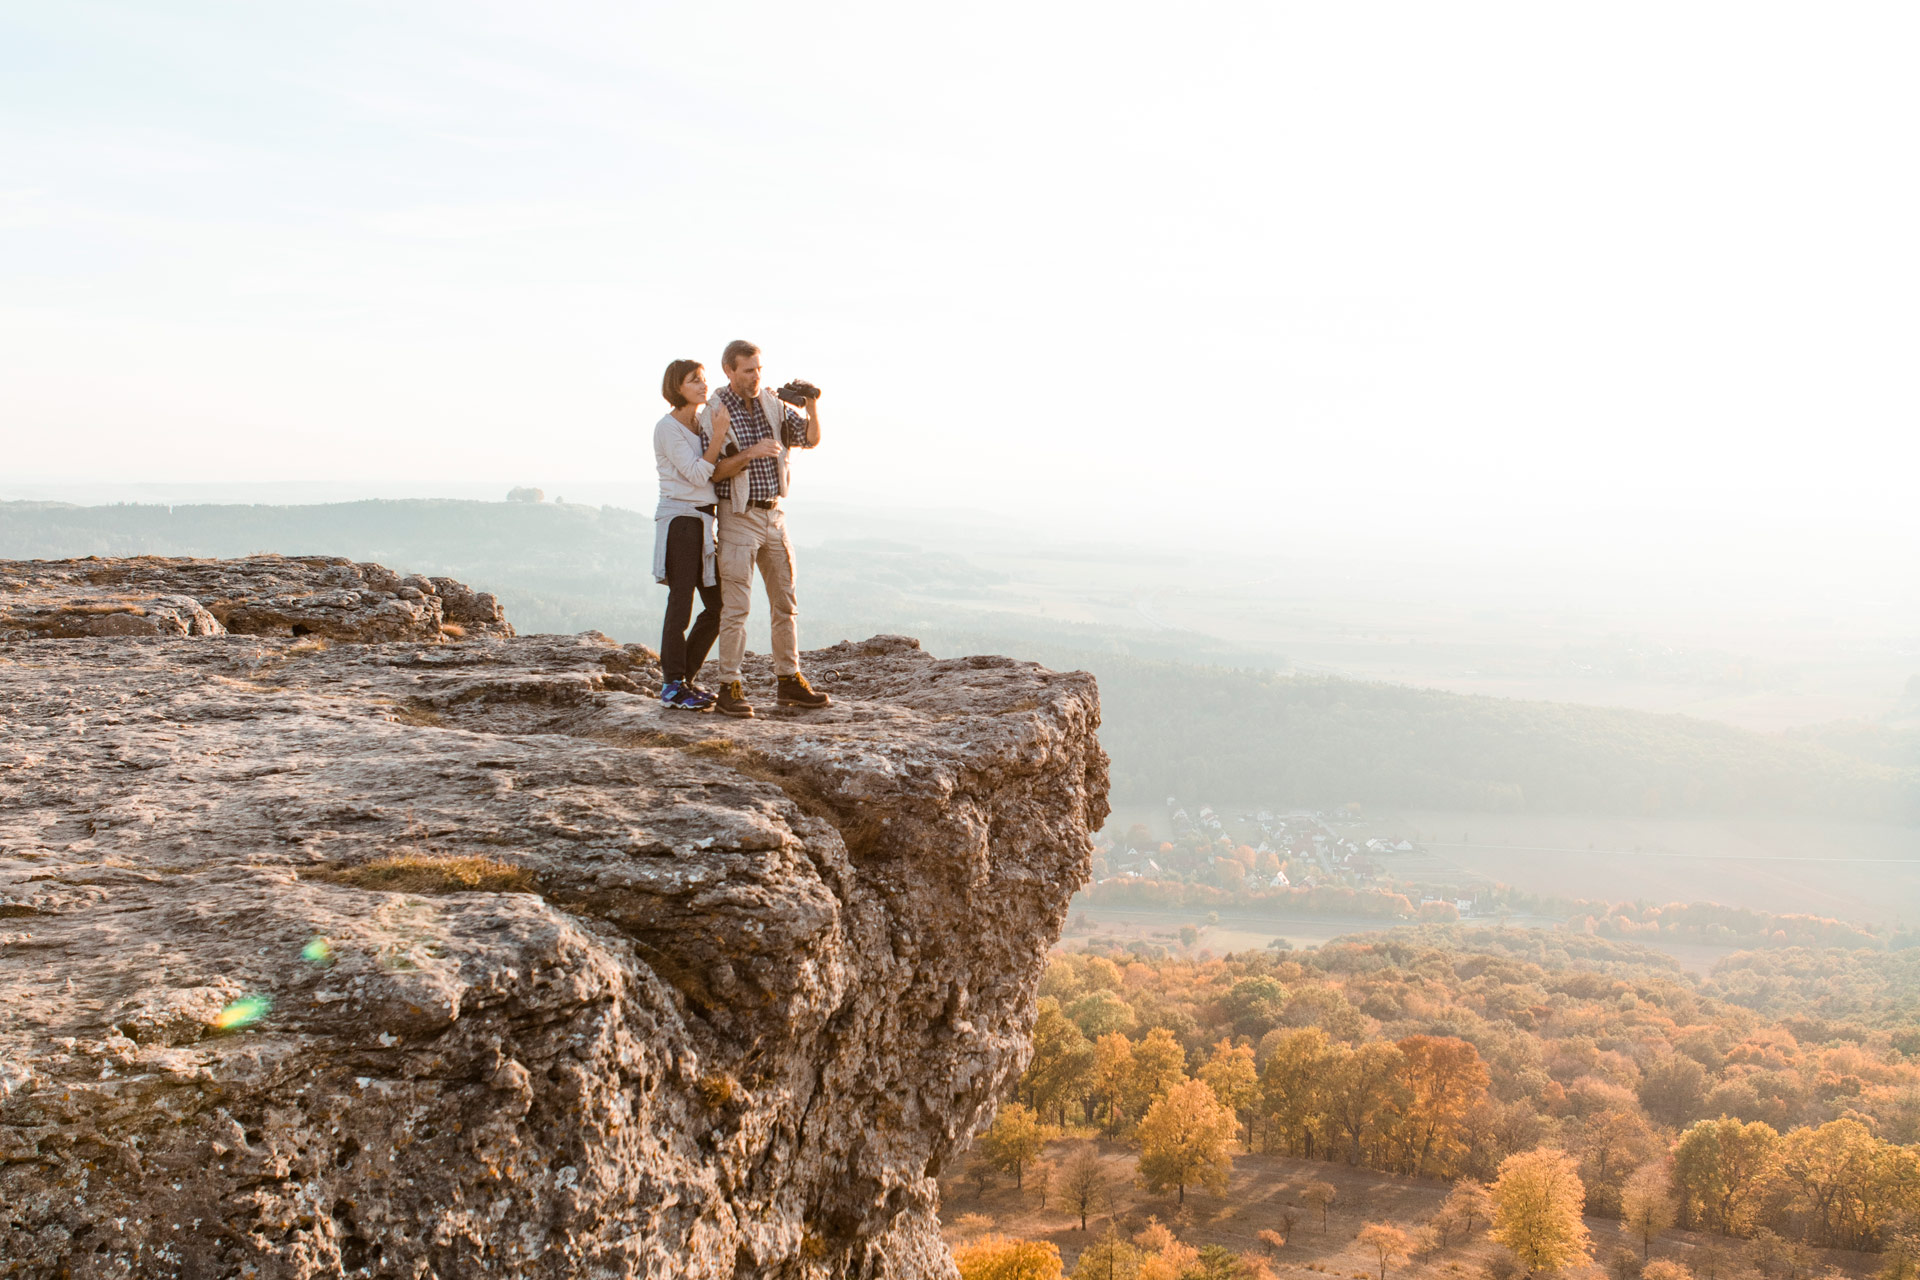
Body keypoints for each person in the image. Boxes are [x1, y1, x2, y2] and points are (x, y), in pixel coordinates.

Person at [709, 338, 829, 718]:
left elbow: (809, 439)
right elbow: (714, 471)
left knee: (785, 603)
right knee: (737, 607)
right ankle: (729, 686)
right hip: (738, 515)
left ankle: (789, 680)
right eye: (748, 370)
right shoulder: (715, 410)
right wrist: (750, 453)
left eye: (759, 368)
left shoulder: (772, 405)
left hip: (774, 516)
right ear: (729, 370)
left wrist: (811, 404)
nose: (756, 376)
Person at [653, 358, 779, 711]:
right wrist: (720, 435)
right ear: (677, 386)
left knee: (719, 604)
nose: (702, 385)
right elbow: (697, 474)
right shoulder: (668, 428)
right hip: (681, 520)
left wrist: (766, 398)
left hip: (704, 523)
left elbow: (734, 399)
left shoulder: (700, 422)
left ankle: (685, 679)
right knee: (680, 604)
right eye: (694, 381)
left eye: (703, 380)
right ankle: (672, 685)